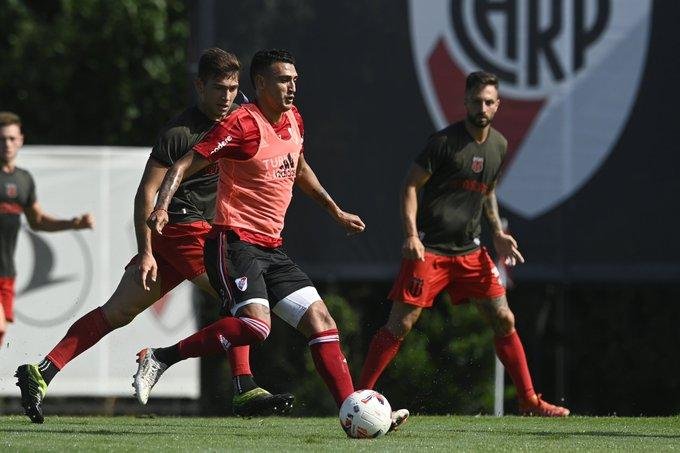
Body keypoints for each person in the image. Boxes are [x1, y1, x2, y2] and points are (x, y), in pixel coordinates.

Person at [14, 48, 293, 424]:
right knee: (240, 299)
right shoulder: (180, 133)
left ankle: (43, 372)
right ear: (199, 86)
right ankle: (243, 387)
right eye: (217, 88)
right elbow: (146, 193)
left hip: (195, 235)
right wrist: (145, 251)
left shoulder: (244, 114)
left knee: (118, 311)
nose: (226, 96)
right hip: (183, 229)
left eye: (231, 88)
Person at [136, 49, 408, 431]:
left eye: (295, 79)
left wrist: (335, 210)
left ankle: (354, 413)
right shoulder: (241, 125)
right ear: (260, 83)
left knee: (321, 321)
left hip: (271, 247)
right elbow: (182, 164)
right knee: (256, 326)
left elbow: (297, 165)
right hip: (232, 243)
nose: (292, 86)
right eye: (283, 79)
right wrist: (162, 208)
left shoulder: (294, 118)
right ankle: (161, 357)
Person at [358, 71, 570, 417]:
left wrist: (497, 233)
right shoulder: (444, 142)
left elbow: (487, 192)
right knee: (401, 324)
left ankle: (529, 401)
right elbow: (410, 186)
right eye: (476, 101)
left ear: (497, 105)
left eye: (489, 102)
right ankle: (359, 398)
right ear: (465, 102)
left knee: (504, 319)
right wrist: (411, 235)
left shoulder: (499, 145)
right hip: (431, 250)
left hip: (471, 251)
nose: (482, 107)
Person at [0, 111, 94, 352]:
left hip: (6, 273)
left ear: (21, 140)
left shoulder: (23, 180)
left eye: (11, 138)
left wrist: (74, 223)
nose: (7, 144)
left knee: (1, 333)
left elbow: (38, 221)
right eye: (2, 139)